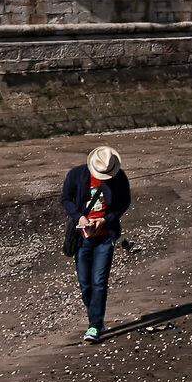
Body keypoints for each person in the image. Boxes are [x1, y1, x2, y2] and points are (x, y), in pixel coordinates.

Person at [59, 144, 130, 343]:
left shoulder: (119, 178)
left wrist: (105, 220)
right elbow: (65, 199)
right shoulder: (76, 175)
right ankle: (96, 321)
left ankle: (95, 325)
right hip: (83, 238)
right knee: (85, 284)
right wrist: (79, 217)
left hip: (106, 237)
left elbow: (124, 202)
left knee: (99, 282)